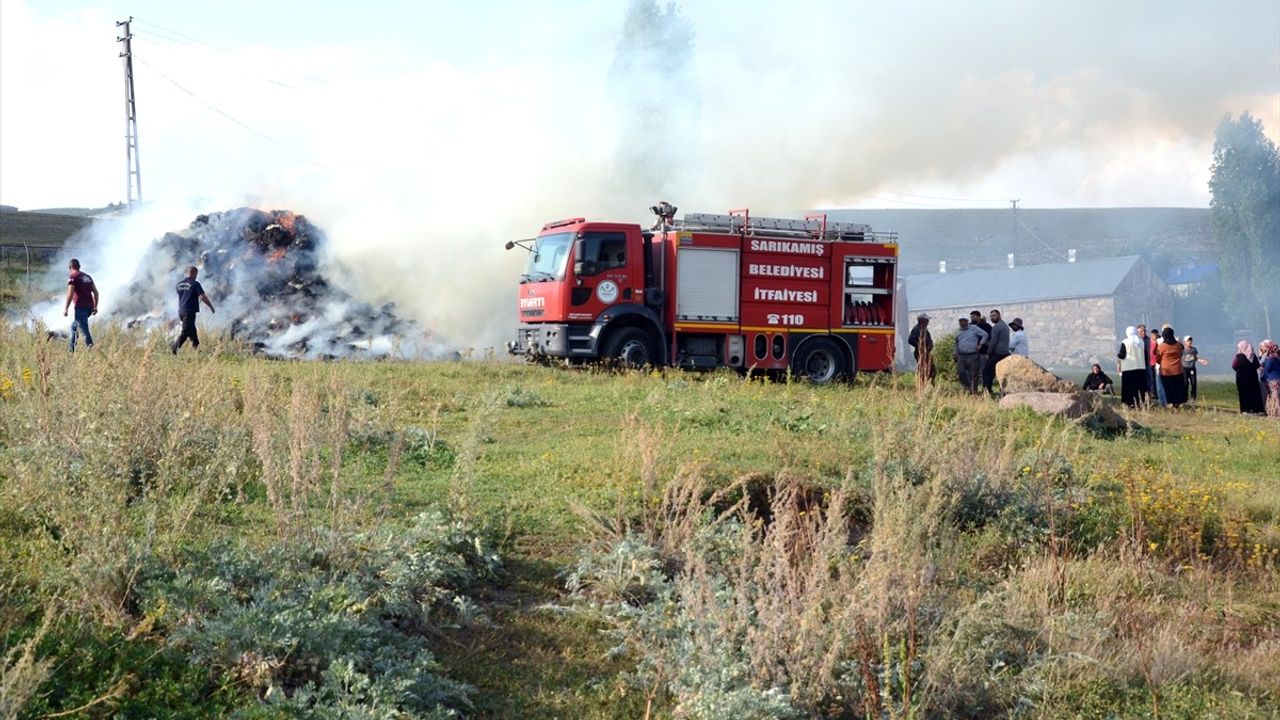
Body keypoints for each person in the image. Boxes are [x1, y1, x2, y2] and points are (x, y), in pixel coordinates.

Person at [171, 266, 215, 354]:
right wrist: (210, 306)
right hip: (189, 311)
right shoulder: (195, 284)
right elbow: (202, 296)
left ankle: (197, 349)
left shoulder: (179, 284)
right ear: (194, 273)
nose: (196, 276)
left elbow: (183, 295)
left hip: (181, 311)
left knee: (192, 331)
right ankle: (174, 348)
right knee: (186, 331)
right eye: (196, 274)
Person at [62, 258, 99, 352]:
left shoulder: (73, 277)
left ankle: (91, 349)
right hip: (89, 307)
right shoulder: (88, 277)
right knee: (74, 327)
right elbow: (96, 293)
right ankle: (71, 350)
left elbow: (70, 294)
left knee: (84, 329)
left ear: (70, 267)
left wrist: (66, 308)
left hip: (81, 307)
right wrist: (95, 307)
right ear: (79, 267)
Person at [954, 316, 988, 393]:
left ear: (967, 321)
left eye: (964, 321)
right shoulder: (957, 331)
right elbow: (956, 343)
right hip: (961, 355)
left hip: (973, 355)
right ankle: (968, 386)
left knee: (974, 374)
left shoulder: (974, 328)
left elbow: (985, 335)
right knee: (961, 372)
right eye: (961, 321)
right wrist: (955, 352)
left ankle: (973, 392)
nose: (962, 323)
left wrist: (980, 344)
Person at [1117, 325, 1148, 407]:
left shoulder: (1125, 342)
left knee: (1129, 388)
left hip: (1129, 368)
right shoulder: (1141, 342)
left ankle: (1129, 402)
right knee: (1140, 387)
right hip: (1141, 368)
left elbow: (1122, 355)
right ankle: (1141, 402)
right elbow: (1145, 355)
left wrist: (1118, 355)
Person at [1155, 327, 1187, 407]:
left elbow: (1157, 359)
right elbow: (1180, 354)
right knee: (1177, 387)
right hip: (1178, 370)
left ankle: (1170, 403)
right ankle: (1178, 402)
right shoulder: (1178, 345)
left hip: (1166, 371)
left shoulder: (1162, 346)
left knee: (1167, 388)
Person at [982, 308, 1010, 396]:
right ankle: (1003, 391)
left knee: (986, 372)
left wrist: (988, 353)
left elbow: (994, 342)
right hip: (1005, 353)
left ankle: (987, 391)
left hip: (997, 354)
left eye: (994, 316)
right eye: (991, 316)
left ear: (999, 315)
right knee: (1002, 374)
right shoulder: (1005, 326)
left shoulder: (997, 327)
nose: (992, 318)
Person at [1233, 341, 1265, 415]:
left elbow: (1234, 365)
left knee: (1243, 394)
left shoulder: (1239, 356)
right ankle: (1256, 409)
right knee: (1254, 393)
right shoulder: (1253, 356)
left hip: (1241, 378)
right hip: (1252, 378)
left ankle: (1245, 410)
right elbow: (1257, 366)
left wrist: (1240, 370)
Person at [1180, 335, 1209, 402]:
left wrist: (1201, 361)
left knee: (1193, 383)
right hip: (1184, 368)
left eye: (1190, 340)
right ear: (1185, 342)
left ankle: (1193, 397)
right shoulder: (1182, 350)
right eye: (1188, 341)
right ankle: (1185, 396)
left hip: (1192, 368)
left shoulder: (1194, 349)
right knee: (1185, 383)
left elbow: (1195, 358)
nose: (1189, 342)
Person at [907, 313, 934, 383]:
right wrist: (920, 346)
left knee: (932, 369)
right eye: (926, 320)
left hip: (927, 353)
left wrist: (931, 344)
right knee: (923, 369)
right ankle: (922, 384)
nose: (928, 322)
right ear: (921, 320)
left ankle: (930, 383)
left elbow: (929, 339)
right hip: (920, 353)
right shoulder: (916, 329)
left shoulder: (925, 329)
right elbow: (910, 340)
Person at [1262, 340, 1280, 418]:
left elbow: (1266, 370)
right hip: (1277, 378)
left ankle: (1277, 412)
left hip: (1272, 380)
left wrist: (1262, 377)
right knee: (1277, 396)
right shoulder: (1277, 357)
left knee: (1275, 397)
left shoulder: (1270, 359)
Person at [1149, 328, 1167, 406]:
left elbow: (1154, 352)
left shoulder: (1158, 342)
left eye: (1155, 335)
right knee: (1152, 379)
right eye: (1153, 335)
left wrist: (1156, 344)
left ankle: (1158, 396)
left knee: (1157, 380)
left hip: (1157, 363)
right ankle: (1154, 393)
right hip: (1151, 362)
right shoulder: (1150, 342)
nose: (1154, 337)